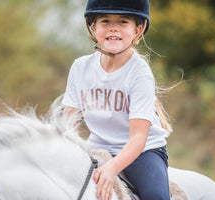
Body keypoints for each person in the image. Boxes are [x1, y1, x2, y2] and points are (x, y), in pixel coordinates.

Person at [62, 0, 172, 199]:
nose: (113, 28)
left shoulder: (139, 73)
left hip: (142, 153)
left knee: (156, 196)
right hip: (97, 147)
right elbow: (69, 127)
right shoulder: (80, 68)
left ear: (138, 30)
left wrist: (112, 168)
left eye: (123, 22)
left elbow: (138, 138)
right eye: (105, 21)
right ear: (94, 27)